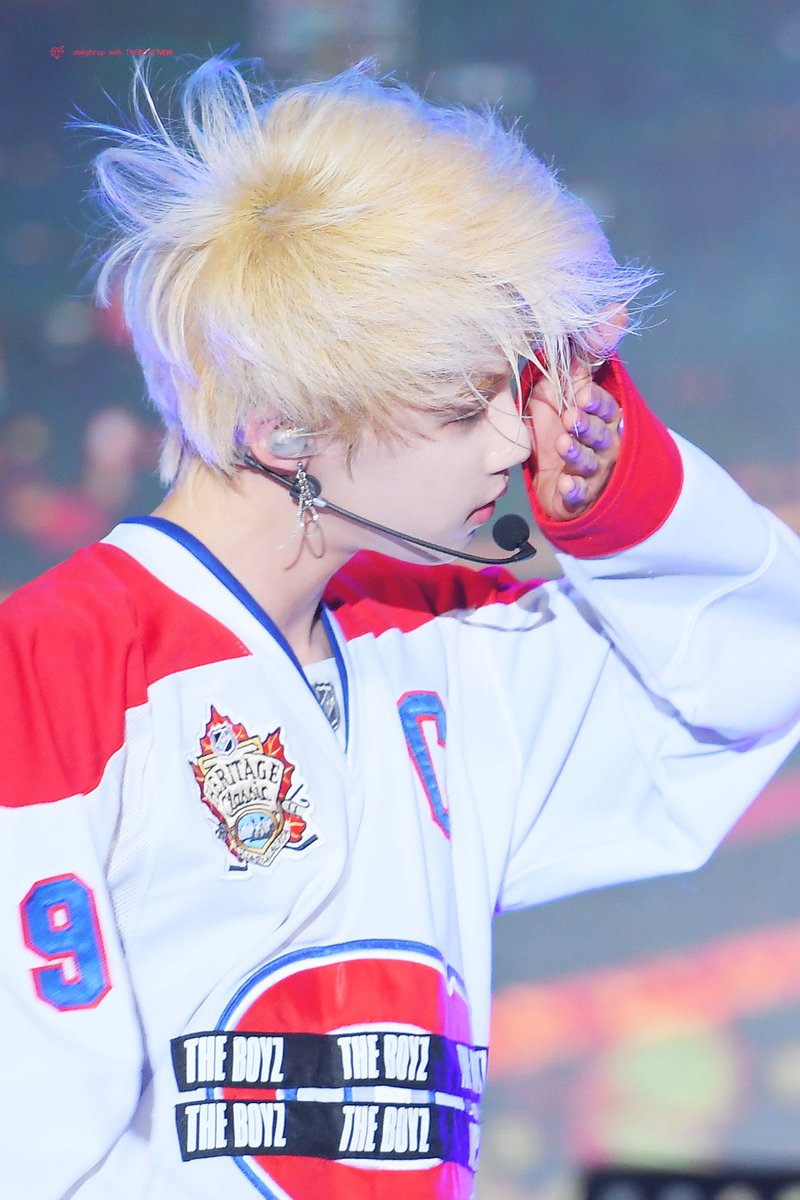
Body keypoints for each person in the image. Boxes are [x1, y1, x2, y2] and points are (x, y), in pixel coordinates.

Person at [2, 58, 799, 1200]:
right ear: (283, 433)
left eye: (513, 388)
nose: (510, 442)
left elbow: (749, 689)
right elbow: (34, 1149)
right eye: (462, 405)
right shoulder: (47, 675)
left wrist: (624, 497)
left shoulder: (444, 641)